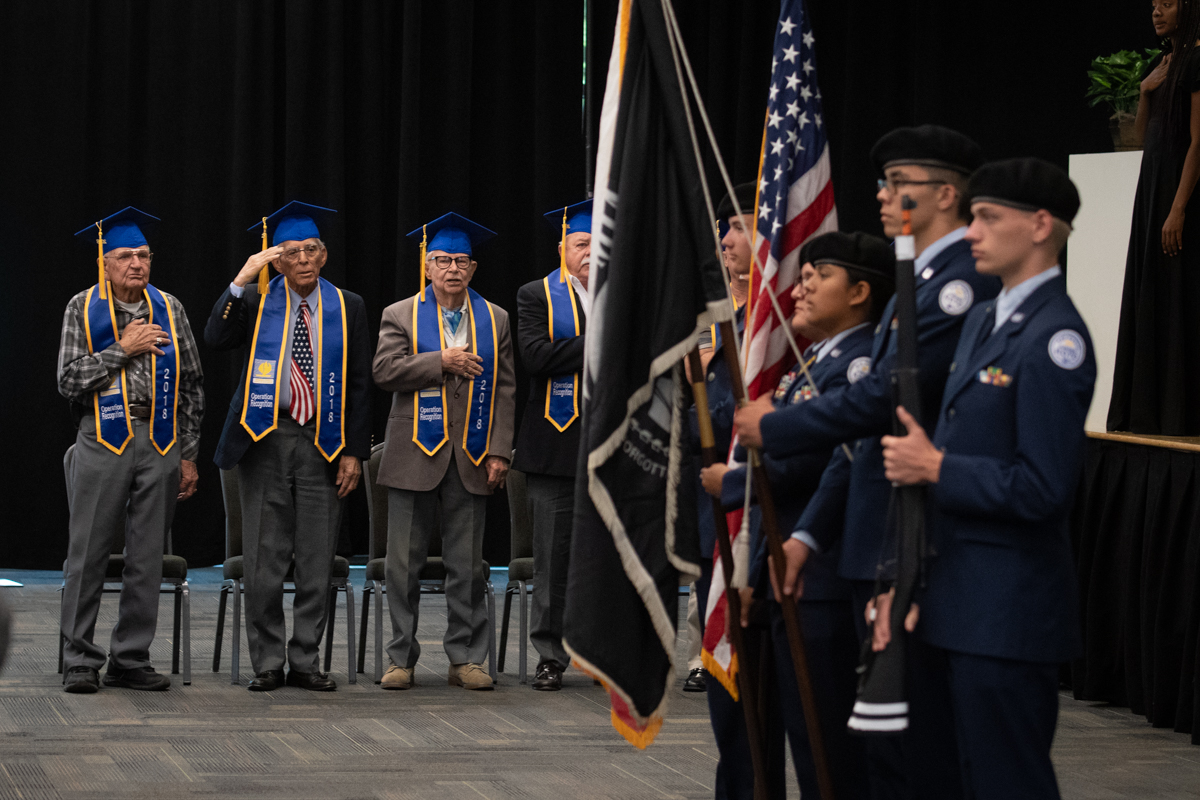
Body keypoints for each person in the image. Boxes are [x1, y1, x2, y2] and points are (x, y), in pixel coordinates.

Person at [733, 125, 999, 799]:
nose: (883, 197)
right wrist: (809, 534)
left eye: (899, 185)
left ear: (945, 194)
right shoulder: (923, 278)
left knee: (914, 746)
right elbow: (856, 451)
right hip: (871, 533)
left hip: (913, 534)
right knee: (882, 740)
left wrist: (779, 423)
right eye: (883, 183)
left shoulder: (953, 286)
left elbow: (881, 401)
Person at [878, 158, 1094, 800]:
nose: (971, 232)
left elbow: (1043, 488)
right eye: (971, 217)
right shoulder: (984, 321)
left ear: (1040, 226)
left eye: (988, 218)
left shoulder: (1057, 338)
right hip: (955, 601)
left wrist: (938, 467)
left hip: (1008, 613)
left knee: (1008, 781)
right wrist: (907, 582)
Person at [701, 232, 892, 800]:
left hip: (825, 571)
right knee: (802, 737)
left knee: (828, 740)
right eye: (801, 275)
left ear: (860, 292)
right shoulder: (812, 359)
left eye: (818, 277)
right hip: (781, 560)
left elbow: (819, 461)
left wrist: (733, 483)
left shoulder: (858, 366)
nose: (800, 287)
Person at [206, 201, 372, 693]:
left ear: (324, 256)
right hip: (265, 437)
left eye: (311, 250)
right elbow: (216, 336)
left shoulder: (350, 306)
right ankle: (268, 662)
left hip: (324, 441)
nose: (302, 259)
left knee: (317, 559)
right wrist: (242, 277)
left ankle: (306, 660)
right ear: (277, 260)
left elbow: (360, 384)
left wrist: (353, 452)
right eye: (292, 252)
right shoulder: (257, 300)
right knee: (263, 560)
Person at [58, 207, 205, 693]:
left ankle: (130, 657)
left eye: (143, 255)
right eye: (125, 256)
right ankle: (80, 657)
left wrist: (187, 453)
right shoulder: (82, 307)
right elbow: (68, 379)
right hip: (102, 437)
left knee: (147, 556)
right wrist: (122, 347)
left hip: (159, 439)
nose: (136, 264)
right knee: (89, 553)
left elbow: (192, 386)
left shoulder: (171, 307)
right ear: (105, 262)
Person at [373, 213, 516, 691]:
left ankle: (466, 659)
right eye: (442, 260)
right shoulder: (400, 314)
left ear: (472, 269)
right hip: (414, 451)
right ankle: (400, 658)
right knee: (401, 566)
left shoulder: (494, 318)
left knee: (467, 567)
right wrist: (441, 361)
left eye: (460, 261)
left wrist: (499, 449)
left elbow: (506, 391)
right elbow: (386, 371)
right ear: (427, 266)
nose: (452, 268)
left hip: (472, 455)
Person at [1109, 0, 1200, 435]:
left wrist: (1178, 208)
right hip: (1152, 190)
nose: (1156, 11)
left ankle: (1180, 414)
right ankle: (1149, 413)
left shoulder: (1198, 59)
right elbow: (1140, 139)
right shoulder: (1161, 63)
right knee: (1152, 293)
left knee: (1180, 293)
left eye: (1166, 3)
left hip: (1179, 195)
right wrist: (1145, 91)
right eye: (1152, 5)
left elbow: (1198, 144)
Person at [512, 201, 590, 691]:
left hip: (615, 446)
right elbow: (537, 357)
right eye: (581, 244)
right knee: (552, 560)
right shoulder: (536, 294)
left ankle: (606, 655)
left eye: (599, 244)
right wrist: (607, 337)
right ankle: (550, 656)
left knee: (612, 560)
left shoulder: (628, 293)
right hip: (555, 447)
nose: (590, 252)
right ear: (563, 248)